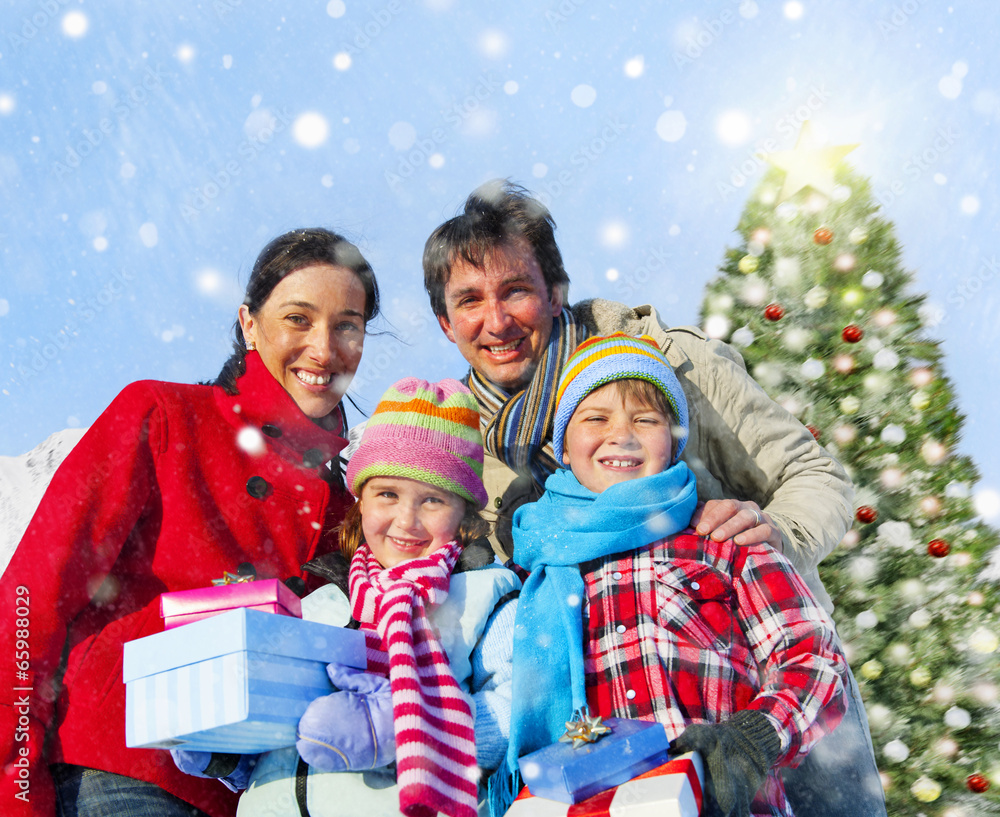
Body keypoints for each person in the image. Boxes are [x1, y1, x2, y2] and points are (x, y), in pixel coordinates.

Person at [422, 180, 887, 816]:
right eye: (469, 301)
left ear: (555, 293)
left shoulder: (671, 367)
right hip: (601, 743)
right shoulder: (457, 449)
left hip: (758, 684)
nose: (496, 321)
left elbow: (813, 472)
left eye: (517, 291)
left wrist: (774, 537)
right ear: (446, 323)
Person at [0, 228, 381, 817]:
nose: (324, 349)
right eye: (298, 318)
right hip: (121, 767)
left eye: (347, 325)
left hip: (255, 796)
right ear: (249, 323)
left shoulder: (349, 505)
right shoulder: (163, 417)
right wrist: (15, 785)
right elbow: (31, 599)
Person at [505, 333, 849, 817]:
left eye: (645, 419)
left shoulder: (724, 539)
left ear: (674, 441)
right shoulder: (535, 570)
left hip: (722, 804)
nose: (621, 435)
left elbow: (816, 659)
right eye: (595, 418)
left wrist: (753, 739)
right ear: (563, 447)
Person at [193, 377, 518, 817]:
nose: (407, 520)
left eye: (433, 501)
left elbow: (517, 711)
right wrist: (228, 751)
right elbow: (296, 734)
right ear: (360, 500)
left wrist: (397, 730)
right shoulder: (321, 599)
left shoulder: (482, 595)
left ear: (463, 511)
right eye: (388, 494)